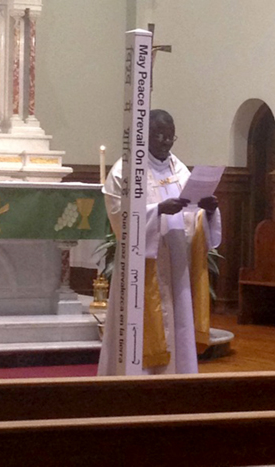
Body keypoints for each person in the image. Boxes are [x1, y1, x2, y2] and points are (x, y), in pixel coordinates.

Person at [98, 109, 222, 375]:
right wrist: (157, 211)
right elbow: (120, 215)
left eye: (171, 136)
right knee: (142, 319)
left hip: (177, 261)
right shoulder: (126, 170)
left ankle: (177, 379)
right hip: (143, 265)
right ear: (144, 135)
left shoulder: (178, 168)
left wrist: (208, 210)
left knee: (178, 323)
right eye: (160, 135)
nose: (166, 141)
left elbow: (194, 214)